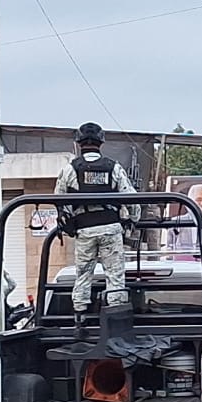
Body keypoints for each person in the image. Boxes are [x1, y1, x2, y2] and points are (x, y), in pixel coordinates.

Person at [55, 122, 139, 311]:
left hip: (84, 230)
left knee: (83, 275)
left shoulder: (70, 169)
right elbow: (132, 199)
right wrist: (133, 220)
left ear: (79, 143)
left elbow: (59, 199)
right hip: (111, 229)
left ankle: (80, 316)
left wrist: (70, 224)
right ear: (101, 142)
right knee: (115, 276)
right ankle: (116, 314)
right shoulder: (114, 167)